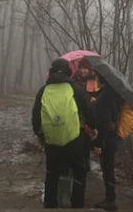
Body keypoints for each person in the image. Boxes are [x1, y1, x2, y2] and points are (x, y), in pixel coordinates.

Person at [32, 58, 98, 209]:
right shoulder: (76, 89)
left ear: (51, 71)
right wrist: (94, 127)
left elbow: (36, 115)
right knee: (79, 171)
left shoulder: (43, 90)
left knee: (52, 172)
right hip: (74, 138)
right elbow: (88, 110)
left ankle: (50, 203)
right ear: (68, 71)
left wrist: (39, 133)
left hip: (51, 139)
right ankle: (77, 204)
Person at [92, 73, 122, 212]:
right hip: (112, 138)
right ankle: (110, 198)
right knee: (108, 168)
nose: (95, 81)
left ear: (101, 81)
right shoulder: (111, 95)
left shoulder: (104, 98)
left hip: (107, 140)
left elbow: (104, 123)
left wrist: (98, 144)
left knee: (108, 169)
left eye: (97, 79)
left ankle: (110, 200)